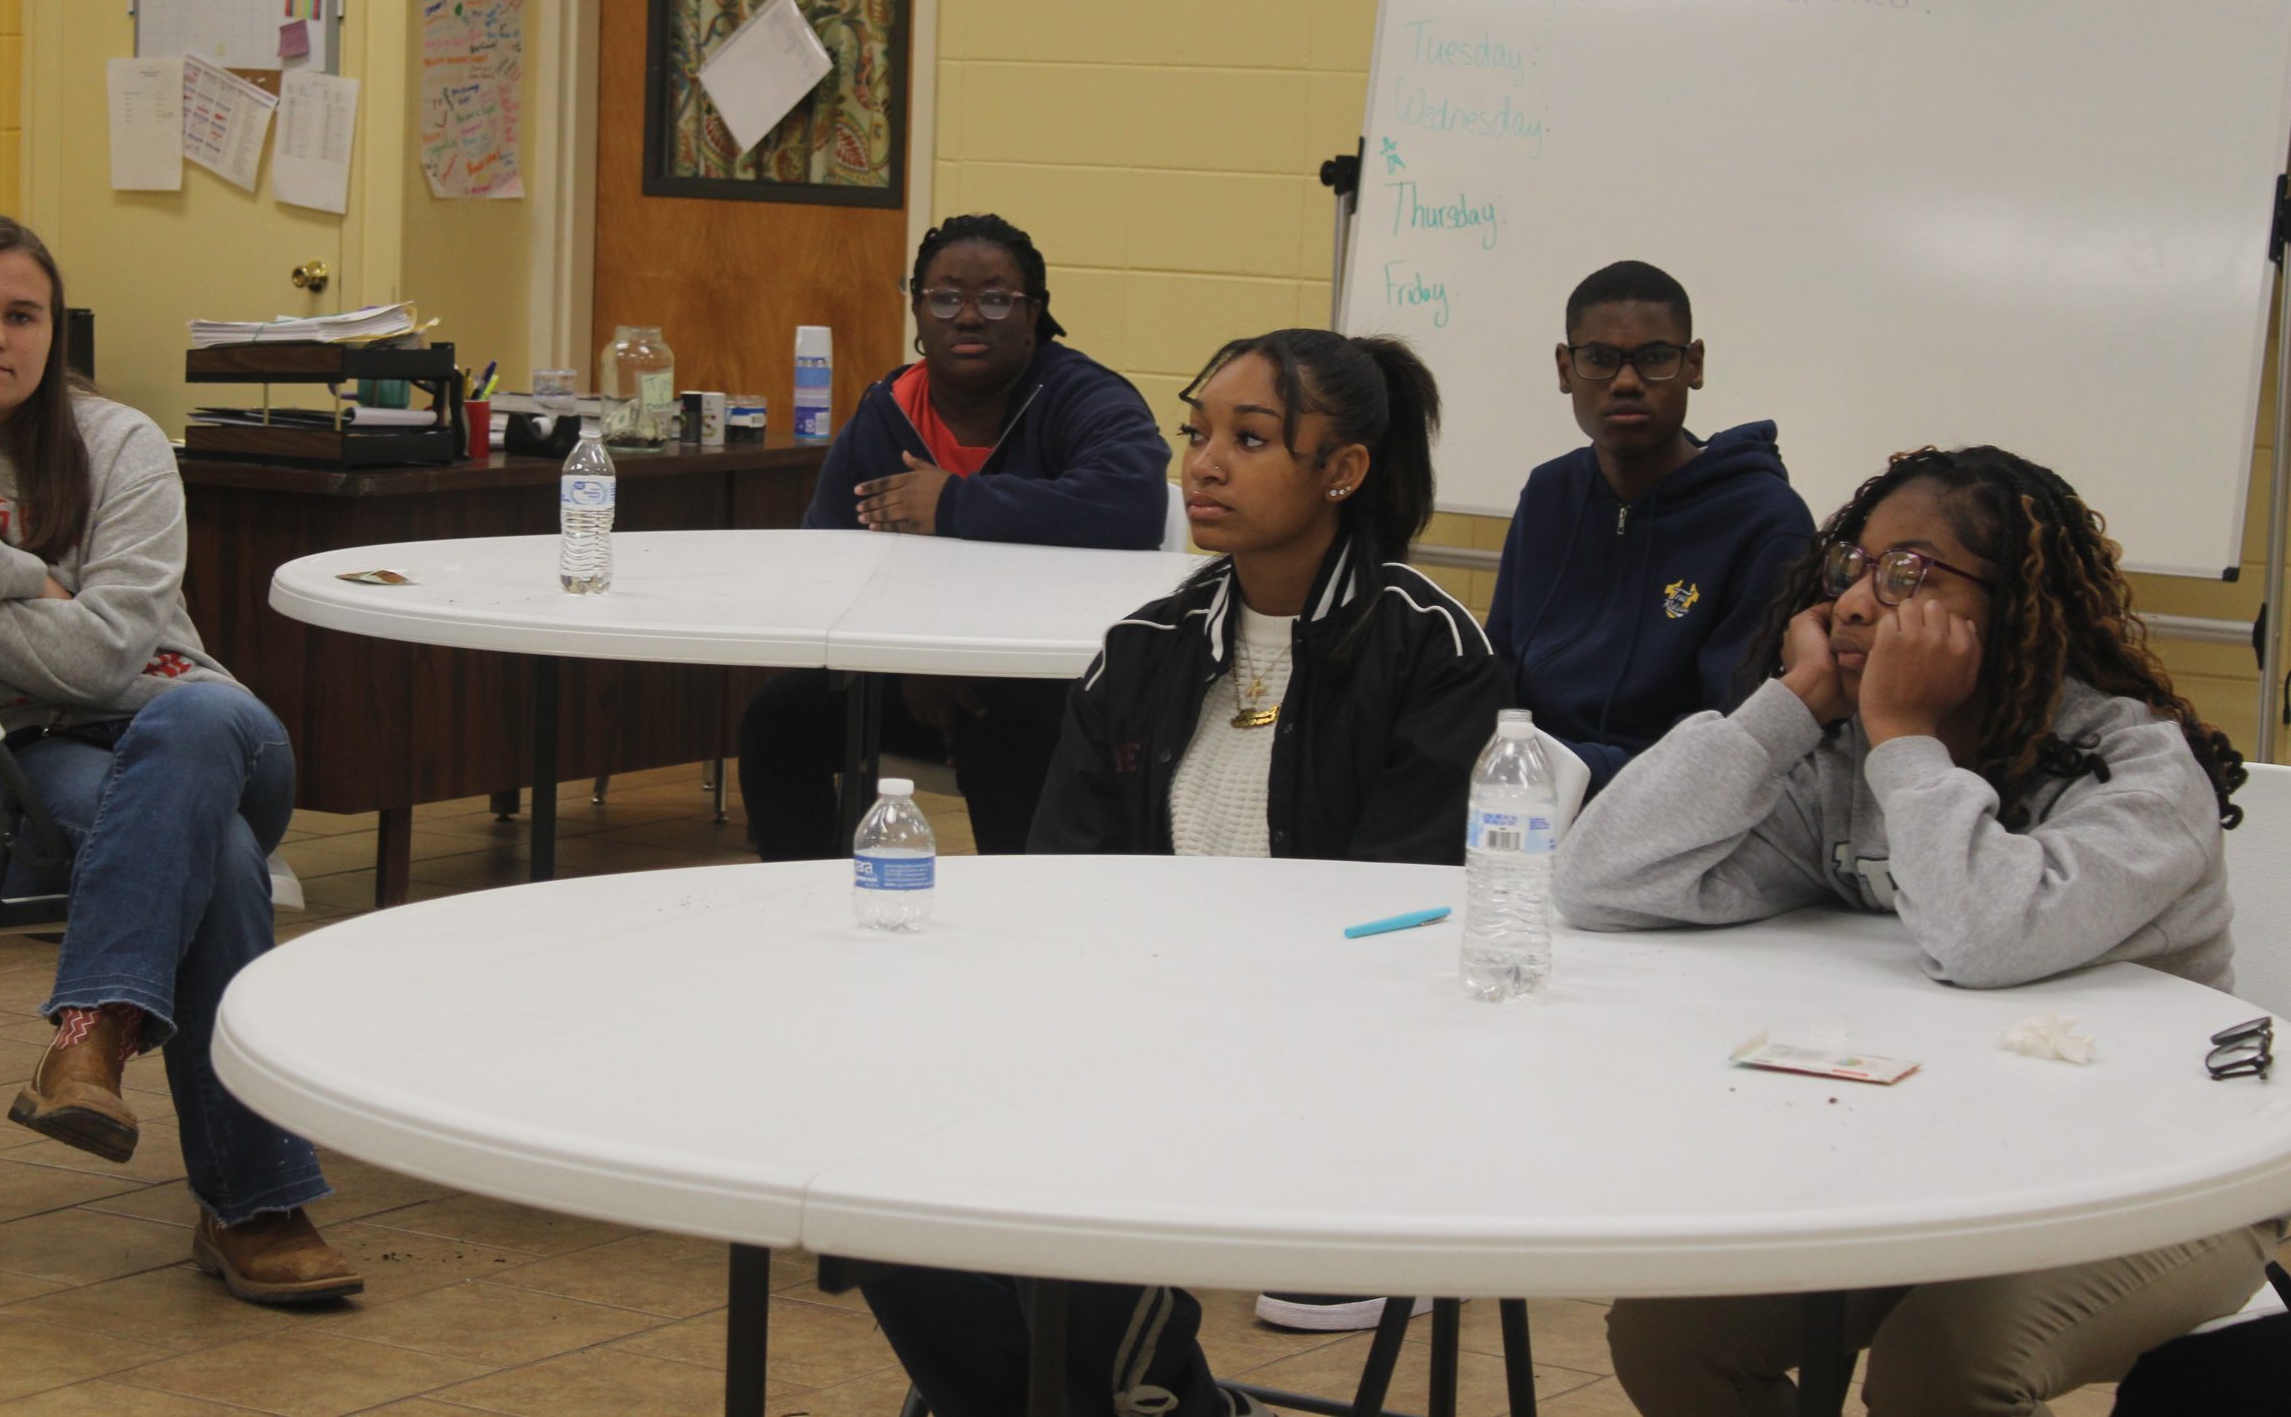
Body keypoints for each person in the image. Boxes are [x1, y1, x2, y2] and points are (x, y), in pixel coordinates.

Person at [859, 329, 1510, 1415]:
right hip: (1144, 1026)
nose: (1201, 465)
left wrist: (1190, 1011)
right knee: (879, 1143)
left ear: (1342, 469)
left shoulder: (1429, 650)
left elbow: (1408, 908)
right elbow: (1063, 879)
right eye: (1196, 433)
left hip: (1340, 1054)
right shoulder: (1146, 644)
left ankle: (1149, 1397)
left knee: (1058, 1156)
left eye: (1248, 440)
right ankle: (1130, 1398)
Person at [1555, 443, 2280, 1414]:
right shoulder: (1839, 758)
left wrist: (1905, 736)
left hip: (2166, 1176)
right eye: (1851, 567)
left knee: (1944, 1369)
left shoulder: (2136, 771)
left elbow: (1983, 936)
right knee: (1671, 1341)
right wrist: (1790, 704)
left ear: (2012, 603)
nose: (1855, 603)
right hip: (1933, 1156)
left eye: (1907, 574)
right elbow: (1600, 878)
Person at [0, 215, 359, 1306]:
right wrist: (25, 575)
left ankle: (93, 1036)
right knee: (218, 860)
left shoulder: (120, 441)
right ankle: (251, 1204)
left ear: (54, 333)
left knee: (194, 728)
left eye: (22, 315)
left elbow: (105, 658)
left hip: (203, 732)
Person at [738, 213, 1172, 858]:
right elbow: (826, 554)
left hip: (1049, 680)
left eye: (995, 300)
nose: (968, 318)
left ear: (1034, 313)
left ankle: (1024, 912)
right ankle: (807, 897)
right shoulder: (887, 411)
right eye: (944, 299)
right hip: (909, 674)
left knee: (1013, 740)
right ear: (917, 310)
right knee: (779, 719)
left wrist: (954, 504)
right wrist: (911, 661)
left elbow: (1131, 503)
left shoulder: (1083, 397)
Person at [1485, 259, 1814, 797]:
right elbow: (1497, 675)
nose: (1627, 382)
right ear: (1565, 369)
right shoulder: (1548, 493)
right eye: (1599, 359)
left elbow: (1734, 737)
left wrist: (1567, 773)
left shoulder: (1765, 521)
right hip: (1528, 796)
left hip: (1668, 811)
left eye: (1655, 358)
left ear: (1694, 365)